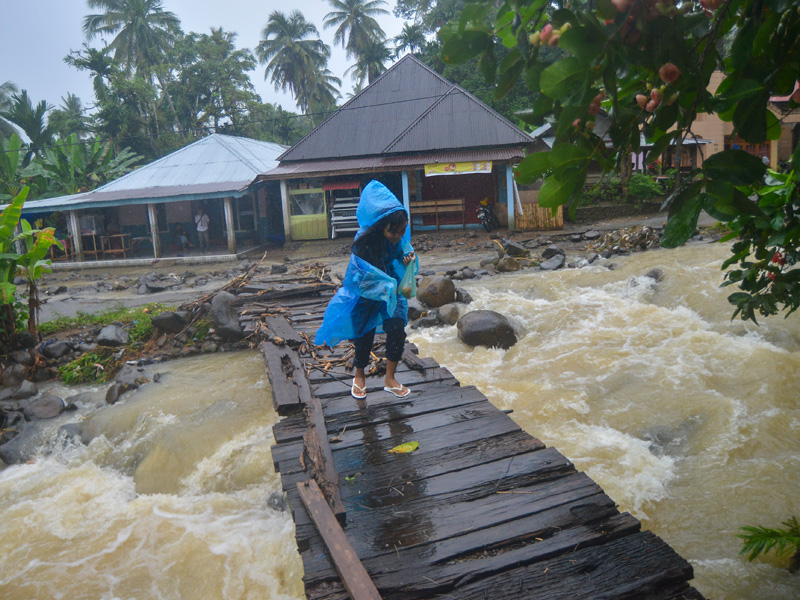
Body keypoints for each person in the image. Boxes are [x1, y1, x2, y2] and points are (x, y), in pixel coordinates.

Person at [315, 181, 417, 399]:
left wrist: (406, 258)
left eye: (401, 232)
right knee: (364, 334)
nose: (398, 236)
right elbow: (360, 275)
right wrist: (385, 283)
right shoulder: (363, 241)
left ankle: (390, 379)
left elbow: (401, 252)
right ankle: (359, 376)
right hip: (366, 294)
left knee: (397, 329)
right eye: (393, 232)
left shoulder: (397, 238)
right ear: (381, 225)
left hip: (391, 290)